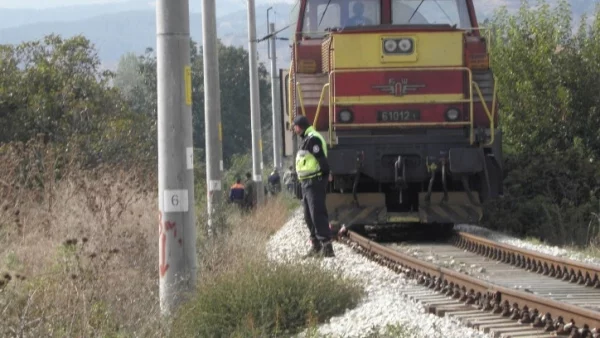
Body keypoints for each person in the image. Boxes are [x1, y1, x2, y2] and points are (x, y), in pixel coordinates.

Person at [292, 115, 335, 258]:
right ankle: (316, 245)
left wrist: (325, 176)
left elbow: (322, 159)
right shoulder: (306, 139)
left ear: (299, 126)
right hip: (306, 183)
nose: (293, 129)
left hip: (314, 181)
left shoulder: (313, 139)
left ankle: (327, 247)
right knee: (308, 216)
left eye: (294, 126)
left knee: (317, 213)